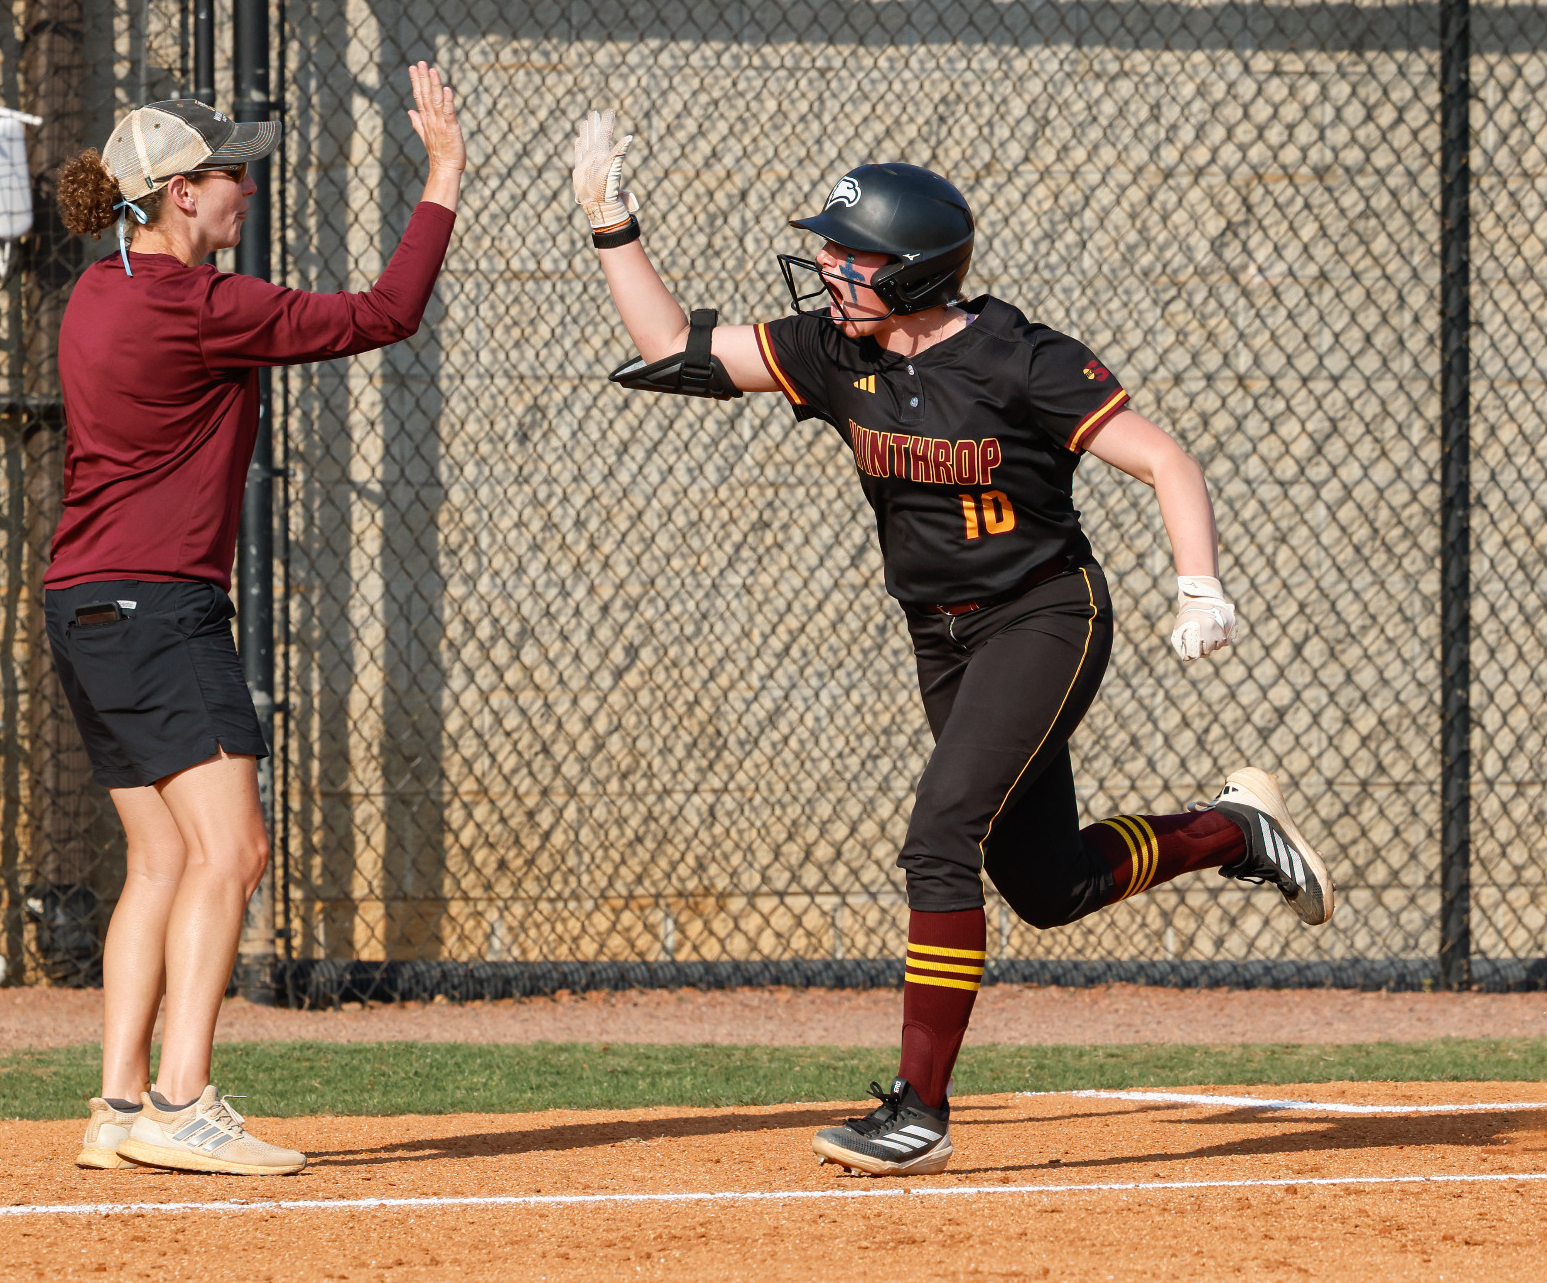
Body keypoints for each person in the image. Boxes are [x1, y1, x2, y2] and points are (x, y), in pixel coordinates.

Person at [571, 112, 1335, 1177]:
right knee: (1048, 885)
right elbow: (674, 350)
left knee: (938, 836)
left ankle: (917, 1110)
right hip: (942, 638)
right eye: (831, 250)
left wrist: (1195, 581)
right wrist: (613, 225)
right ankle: (1232, 831)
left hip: (1042, 616)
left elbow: (1165, 460)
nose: (830, 269)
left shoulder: (1020, 360)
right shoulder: (839, 349)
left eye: (854, 255)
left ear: (919, 270)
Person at [46, 66, 464, 1175]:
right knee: (234, 851)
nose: (246, 190)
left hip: (82, 603)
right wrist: (444, 178)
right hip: (159, 605)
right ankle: (181, 1102)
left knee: (160, 861)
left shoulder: (98, 289)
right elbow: (387, 313)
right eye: (231, 174)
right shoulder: (197, 305)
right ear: (181, 192)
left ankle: (120, 1103)